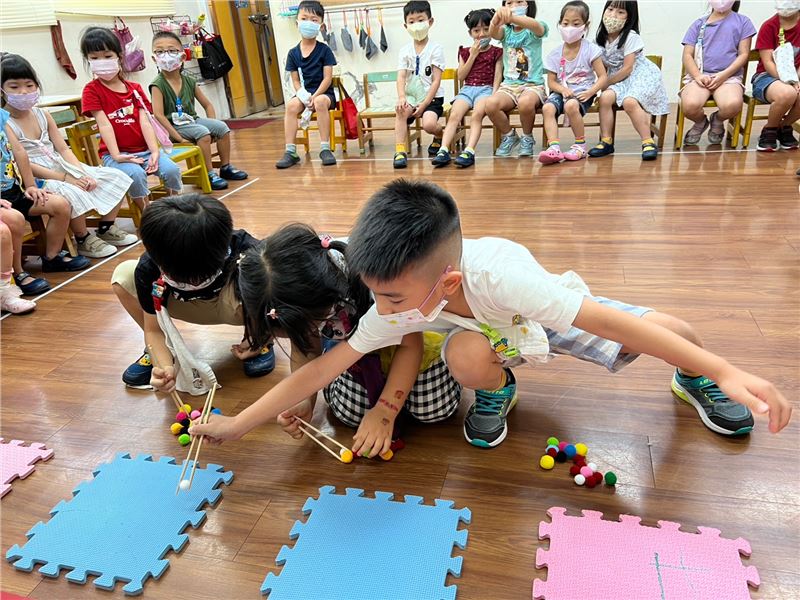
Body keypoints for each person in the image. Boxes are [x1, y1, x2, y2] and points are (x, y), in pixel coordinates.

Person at [189, 179, 792, 448]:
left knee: (669, 335)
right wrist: (237, 425)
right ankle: (499, 390)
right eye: (378, 297)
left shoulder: (504, 276)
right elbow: (320, 370)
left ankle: (694, 377)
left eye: (392, 301)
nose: (384, 312)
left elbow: (603, 322)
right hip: (488, 336)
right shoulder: (396, 299)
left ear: (447, 280)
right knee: (465, 354)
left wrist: (723, 369)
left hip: (533, 318)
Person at [235, 224, 461, 458]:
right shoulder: (300, 297)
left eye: (309, 326)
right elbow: (306, 352)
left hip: (412, 345)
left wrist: (386, 410)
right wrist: (305, 400)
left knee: (434, 409)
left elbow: (411, 344)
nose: (308, 332)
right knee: (348, 413)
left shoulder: (377, 282)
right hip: (357, 358)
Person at [111, 194, 275, 390]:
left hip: (233, 306)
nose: (192, 283)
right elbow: (153, 329)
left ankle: (259, 338)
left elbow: (283, 302)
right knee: (124, 275)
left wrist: (262, 336)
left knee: (264, 279)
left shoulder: (248, 251)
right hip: (179, 305)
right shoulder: (150, 266)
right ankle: (165, 351)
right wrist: (163, 367)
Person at [2, 54, 136, 259]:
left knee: (115, 176)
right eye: (14, 87)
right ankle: (83, 238)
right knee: (72, 191)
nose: (24, 92)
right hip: (37, 176)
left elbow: (63, 149)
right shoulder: (5, 122)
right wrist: (67, 179)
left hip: (61, 164)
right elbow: (22, 163)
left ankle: (106, 227)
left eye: (29, 85)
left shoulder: (42, 114)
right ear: (2, 90)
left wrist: (81, 172)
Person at [80, 26, 182, 211]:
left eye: (107, 56)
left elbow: (145, 122)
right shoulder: (91, 90)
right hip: (114, 155)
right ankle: (147, 214)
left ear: (119, 56)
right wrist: (117, 156)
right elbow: (104, 125)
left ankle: (175, 209)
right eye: (94, 58)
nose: (101, 62)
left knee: (172, 170)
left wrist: (154, 152)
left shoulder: (134, 88)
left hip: (145, 150)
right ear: (87, 59)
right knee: (135, 175)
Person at [150, 31, 248, 189]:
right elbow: (159, 115)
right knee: (202, 132)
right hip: (172, 127)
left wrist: (212, 124)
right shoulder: (158, 84)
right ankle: (209, 173)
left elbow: (207, 105)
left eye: (172, 50)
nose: (166, 56)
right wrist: (179, 139)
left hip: (191, 121)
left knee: (222, 127)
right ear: (154, 58)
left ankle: (225, 167)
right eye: (160, 52)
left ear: (182, 56)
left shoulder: (189, 81)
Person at [0, 106, 89, 276]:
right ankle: (17, 272)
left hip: (15, 189)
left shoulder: (1, 118)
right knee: (15, 219)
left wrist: (31, 185)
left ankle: (52, 257)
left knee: (60, 204)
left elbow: (19, 151)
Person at [588, 1, 670, 161]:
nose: (613, 15)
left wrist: (606, 83)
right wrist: (602, 86)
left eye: (620, 12)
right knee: (605, 98)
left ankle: (648, 142)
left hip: (639, 75)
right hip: (617, 79)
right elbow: (601, 69)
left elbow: (627, 69)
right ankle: (606, 141)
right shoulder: (598, 40)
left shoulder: (631, 37)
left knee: (629, 102)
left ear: (629, 18)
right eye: (610, 9)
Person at [431, 8, 502, 168]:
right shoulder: (464, 52)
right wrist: (473, 55)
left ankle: (469, 151)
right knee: (454, 115)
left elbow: (498, 76)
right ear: (470, 33)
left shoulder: (497, 52)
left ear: (493, 29)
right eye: (476, 30)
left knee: (477, 115)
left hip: (486, 90)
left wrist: (494, 95)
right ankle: (443, 150)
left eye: (486, 29)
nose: (481, 34)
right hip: (467, 90)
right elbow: (461, 76)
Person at [538, 1, 607, 164]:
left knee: (570, 106)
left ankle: (580, 146)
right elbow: (551, 82)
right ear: (560, 24)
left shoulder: (591, 50)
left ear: (585, 25)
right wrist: (562, 90)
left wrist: (591, 92)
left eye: (576, 24)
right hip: (561, 92)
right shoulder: (555, 54)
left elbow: (603, 76)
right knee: (547, 108)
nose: (569, 28)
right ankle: (554, 148)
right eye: (565, 23)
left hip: (583, 92)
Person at [679, 0, 756, 146]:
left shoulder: (743, 22)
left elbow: (744, 54)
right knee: (689, 105)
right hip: (700, 77)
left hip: (729, 78)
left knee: (733, 105)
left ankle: (717, 120)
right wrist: (698, 76)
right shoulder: (698, 24)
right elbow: (687, 55)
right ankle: (700, 122)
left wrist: (723, 75)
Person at [276, 1, 338, 169]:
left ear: (321, 25)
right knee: (291, 106)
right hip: (304, 94)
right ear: (297, 23)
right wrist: (303, 96)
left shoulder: (324, 50)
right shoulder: (293, 53)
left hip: (324, 94)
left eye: (314, 19)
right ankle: (290, 151)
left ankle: (325, 149)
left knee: (319, 102)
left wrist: (315, 96)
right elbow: (295, 81)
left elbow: (327, 78)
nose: (308, 23)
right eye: (304, 18)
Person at [484, 0, 548, 158]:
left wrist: (511, 17)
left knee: (525, 103)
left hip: (533, 85)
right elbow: (493, 33)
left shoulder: (534, 27)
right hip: (509, 86)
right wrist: (496, 18)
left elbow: (537, 27)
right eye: (509, 3)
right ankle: (509, 135)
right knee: (490, 104)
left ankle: (527, 137)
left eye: (519, 1)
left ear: (528, 5)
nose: (514, 6)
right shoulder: (505, 31)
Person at [393, 0, 446, 169]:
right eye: (411, 21)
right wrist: (402, 97)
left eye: (421, 20)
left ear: (430, 21)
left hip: (432, 98)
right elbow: (401, 76)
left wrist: (424, 105)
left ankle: (440, 135)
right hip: (412, 96)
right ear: (406, 26)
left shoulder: (436, 49)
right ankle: (400, 151)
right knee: (401, 111)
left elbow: (436, 80)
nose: (416, 25)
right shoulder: (404, 51)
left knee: (429, 125)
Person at [751, 0, 800, 151]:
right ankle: (769, 130)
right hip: (767, 77)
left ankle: (784, 127)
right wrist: (788, 80)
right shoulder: (769, 26)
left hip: (796, 76)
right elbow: (768, 62)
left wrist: (796, 79)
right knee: (787, 93)